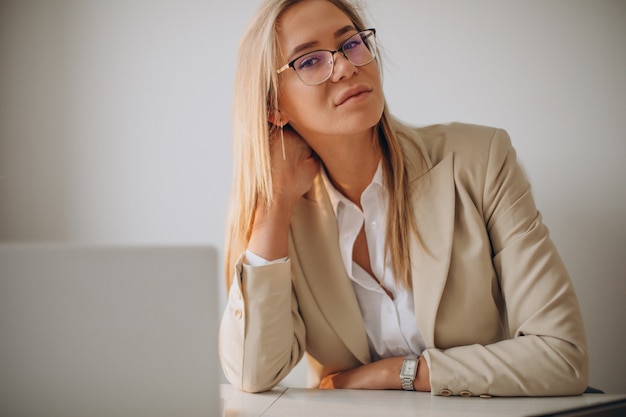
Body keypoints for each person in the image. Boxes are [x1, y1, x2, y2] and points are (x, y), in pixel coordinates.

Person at [219, 0, 588, 397]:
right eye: (309, 61)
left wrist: (400, 373)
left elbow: (562, 356)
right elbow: (252, 375)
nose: (345, 66)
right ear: (274, 107)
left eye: (352, 44)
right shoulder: (282, 216)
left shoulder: (479, 161)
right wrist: (274, 200)